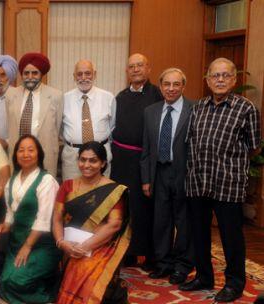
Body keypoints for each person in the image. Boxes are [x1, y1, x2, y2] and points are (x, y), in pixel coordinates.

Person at [179, 58, 260, 302]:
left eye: (226, 75)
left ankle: (235, 283)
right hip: (198, 181)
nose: (220, 80)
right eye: (215, 75)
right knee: (200, 234)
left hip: (228, 184)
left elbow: (254, 148)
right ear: (207, 80)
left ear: (235, 79)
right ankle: (204, 277)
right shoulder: (198, 107)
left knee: (231, 237)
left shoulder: (246, 109)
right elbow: (191, 141)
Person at [53, 141, 130, 304]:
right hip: (70, 245)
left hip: (101, 246)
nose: (86, 165)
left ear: (103, 163)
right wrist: (61, 243)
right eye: (82, 159)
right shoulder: (67, 186)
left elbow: (114, 224)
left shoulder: (113, 190)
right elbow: (57, 218)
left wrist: (85, 246)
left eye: (93, 160)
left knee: (86, 269)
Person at [140, 68, 194, 284]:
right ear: (160, 86)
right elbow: (146, 148)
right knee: (161, 221)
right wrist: (146, 178)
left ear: (183, 86)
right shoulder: (150, 111)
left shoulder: (195, 109)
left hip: (184, 173)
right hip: (159, 172)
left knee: (183, 221)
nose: (171, 89)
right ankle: (164, 263)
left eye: (176, 84)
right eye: (167, 84)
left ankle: (182, 265)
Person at [0, 135, 61, 304]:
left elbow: (44, 219)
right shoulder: (12, 181)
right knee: (6, 281)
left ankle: (49, 289)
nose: (25, 154)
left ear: (39, 154)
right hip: (16, 242)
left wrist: (27, 246)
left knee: (18, 282)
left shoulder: (47, 181)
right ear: (15, 154)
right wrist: (4, 226)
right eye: (21, 150)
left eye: (31, 150)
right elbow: (11, 213)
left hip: (41, 244)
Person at [111, 54, 163, 270]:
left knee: (147, 208)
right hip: (122, 160)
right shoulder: (120, 97)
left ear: (148, 68)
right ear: (127, 71)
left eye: (140, 65)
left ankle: (151, 255)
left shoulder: (157, 95)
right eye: (131, 66)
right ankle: (128, 253)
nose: (135, 70)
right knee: (125, 207)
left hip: (146, 159)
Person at [7, 52, 63, 176]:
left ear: (41, 74)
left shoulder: (55, 96)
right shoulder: (11, 95)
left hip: (45, 154)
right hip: (19, 155)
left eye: (35, 73)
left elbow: (57, 127)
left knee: (44, 191)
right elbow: (10, 123)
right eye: (26, 73)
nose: (30, 77)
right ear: (21, 74)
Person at [61, 59, 116, 180]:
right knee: (73, 195)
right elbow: (60, 129)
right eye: (79, 74)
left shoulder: (108, 97)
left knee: (101, 195)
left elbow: (113, 127)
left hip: (100, 156)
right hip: (72, 159)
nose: (84, 77)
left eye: (88, 73)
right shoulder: (64, 99)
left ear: (94, 74)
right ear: (74, 76)